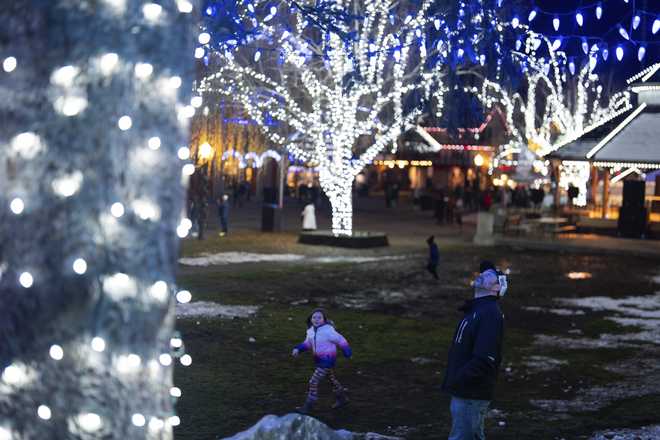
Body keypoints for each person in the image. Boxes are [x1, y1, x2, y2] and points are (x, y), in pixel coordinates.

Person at [442, 260, 506, 440]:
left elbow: (485, 359)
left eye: (490, 275)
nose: (483, 274)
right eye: (483, 273)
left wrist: (459, 379)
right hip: (464, 392)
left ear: (496, 288)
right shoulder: (477, 310)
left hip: (471, 394)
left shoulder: (490, 313)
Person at [292, 309, 352, 414]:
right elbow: (307, 343)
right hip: (319, 360)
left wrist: (347, 351)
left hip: (327, 359)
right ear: (311, 319)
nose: (316, 320)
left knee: (313, 381)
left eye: (319, 317)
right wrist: (298, 349)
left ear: (324, 319)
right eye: (314, 317)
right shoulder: (310, 331)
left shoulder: (328, 331)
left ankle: (309, 405)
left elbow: (341, 340)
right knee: (332, 380)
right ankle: (342, 398)